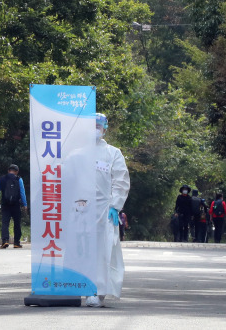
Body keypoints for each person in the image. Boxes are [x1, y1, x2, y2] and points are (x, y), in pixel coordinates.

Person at [86, 113, 130, 308]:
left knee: (103, 251)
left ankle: (99, 292)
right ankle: (82, 287)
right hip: (80, 210)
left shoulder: (113, 153)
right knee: (83, 250)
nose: (96, 128)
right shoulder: (78, 151)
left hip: (105, 211)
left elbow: (121, 181)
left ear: (105, 128)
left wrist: (115, 206)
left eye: (99, 125)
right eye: (92, 125)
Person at [0, 164, 28, 248]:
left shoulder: (1, 179)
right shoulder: (19, 179)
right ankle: (16, 243)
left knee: (5, 222)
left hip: (5, 204)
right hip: (16, 204)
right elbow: (22, 193)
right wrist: (25, 204)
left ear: (8, 170)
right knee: (17, 223)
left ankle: (4, 241)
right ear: (17, 171)